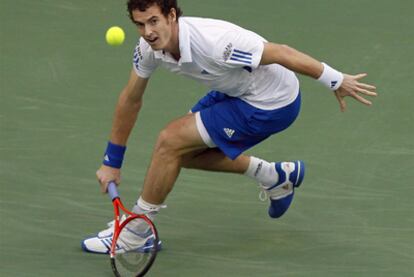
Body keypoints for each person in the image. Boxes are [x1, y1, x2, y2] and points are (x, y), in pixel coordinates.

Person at [81, 0, 377, 254]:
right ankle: (274, 176)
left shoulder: (215, 42)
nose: (148, 32)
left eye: (154, 21)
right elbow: (131, 99)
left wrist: (335, 79)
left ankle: (135, 234)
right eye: (141, 24)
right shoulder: (148, 47)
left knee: (169, 142)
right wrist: (111, 162)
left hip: (269, 103)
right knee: (179, 155)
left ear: (172, 15)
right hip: (234, 88)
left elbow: (281, 52)